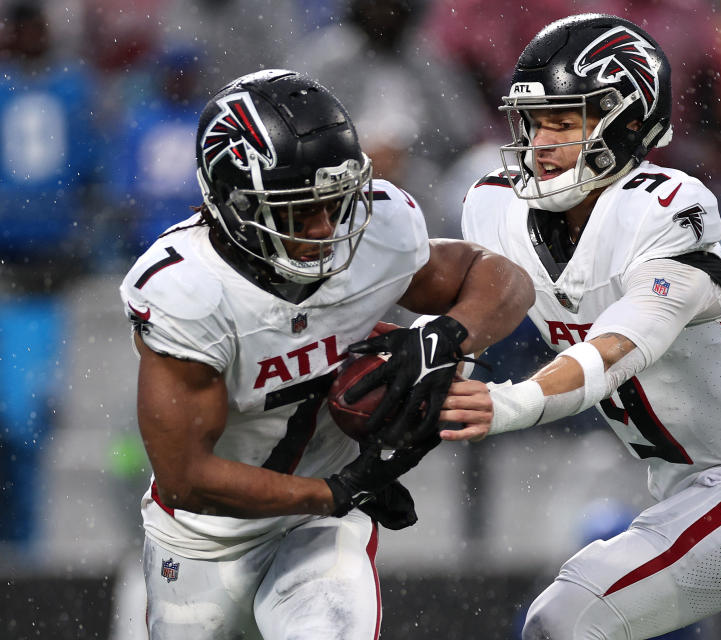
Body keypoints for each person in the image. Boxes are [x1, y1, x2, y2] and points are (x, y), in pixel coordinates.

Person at [440, 14, 721, 639]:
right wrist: (430, 348)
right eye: (534, 122)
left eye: (564, 123)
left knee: (564, 621)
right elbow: (452, 283)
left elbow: (619, 346)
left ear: (626, 123)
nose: (541, 143)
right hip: (705, 491)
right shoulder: (498, 207)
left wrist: (508, 404)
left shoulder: (666, 210)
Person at [118, 69, 534, 639]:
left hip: (319, 529)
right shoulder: (188, 290)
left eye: (334, 202)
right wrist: (336, 490)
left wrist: (445, 336)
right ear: (234, 203)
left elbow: (503, 279)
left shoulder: (377, 230)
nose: (323, 228)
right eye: (296, 210)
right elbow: (186, 476)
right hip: (205, 538)